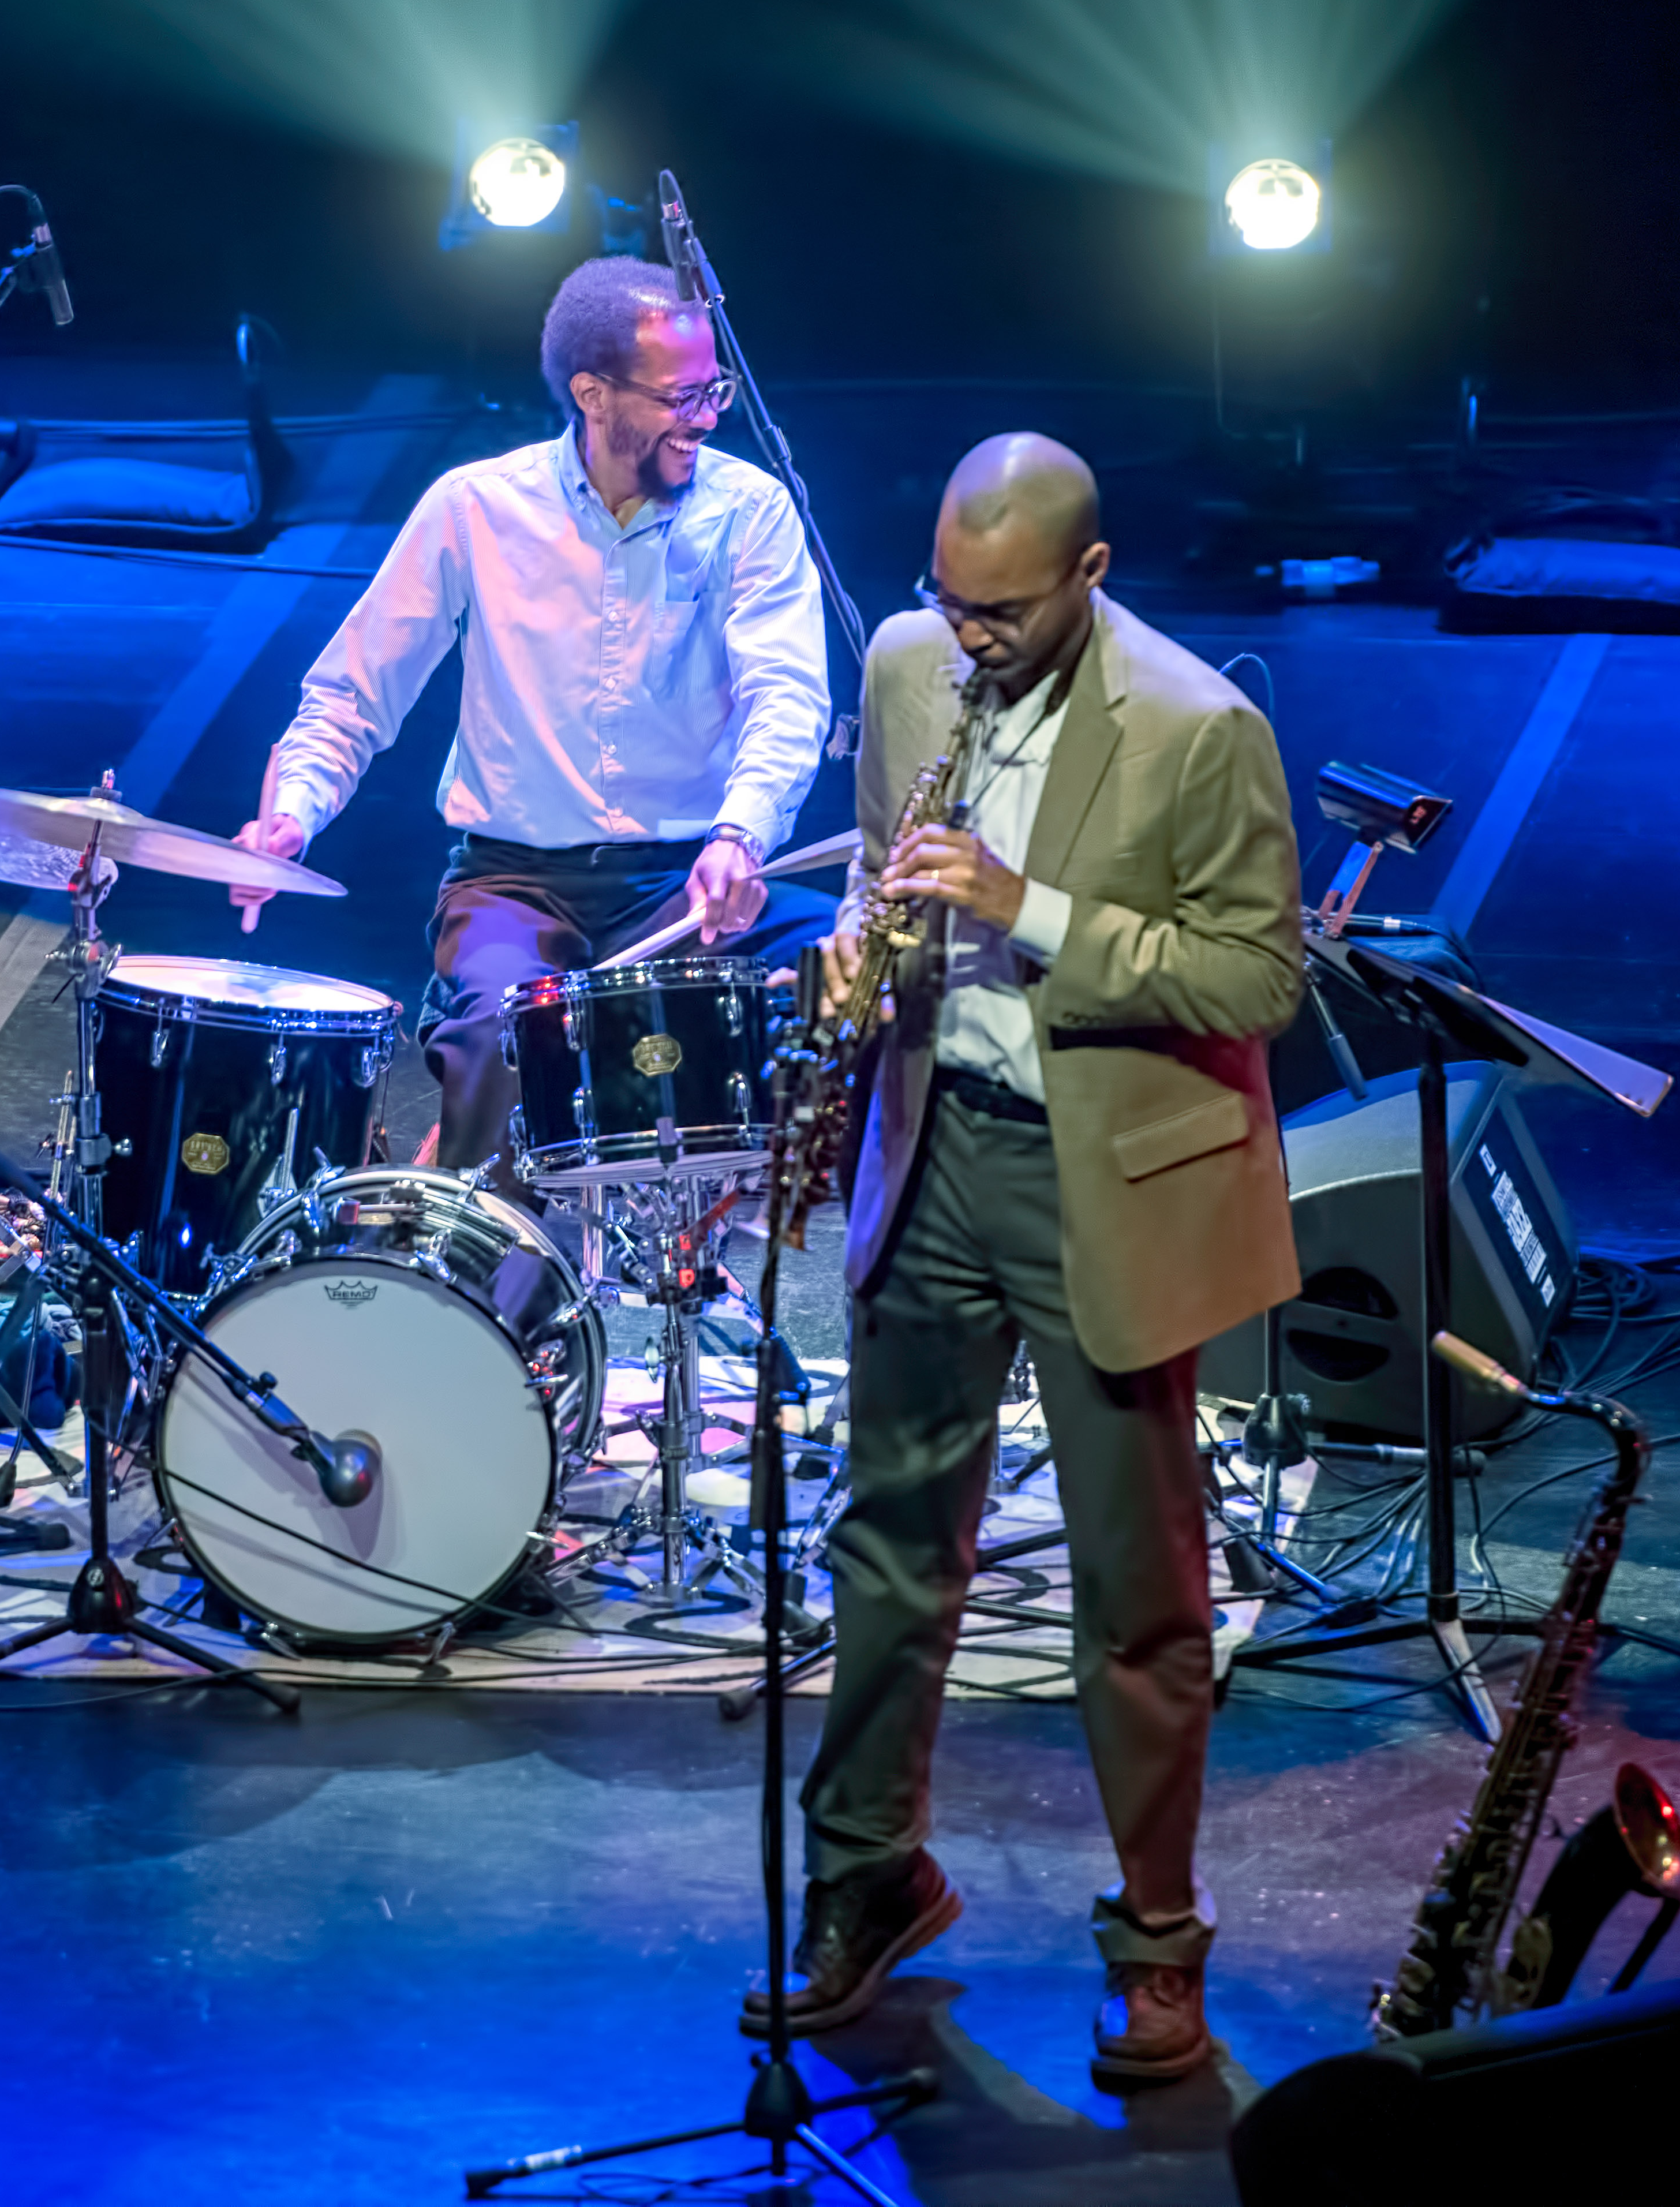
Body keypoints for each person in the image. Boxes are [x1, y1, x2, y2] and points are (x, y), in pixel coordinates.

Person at [749, 433, 1305, 2087]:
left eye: (1002, 610)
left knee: (1138, 1592)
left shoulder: (1202, 724)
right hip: (933, 1151)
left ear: (1090, 574)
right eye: (949, 597)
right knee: (890, 1541)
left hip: (1101, 1177)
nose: (967, 635)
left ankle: (1155, 1940)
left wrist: (1030, 903)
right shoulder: (907, 664)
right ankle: (868, 1881)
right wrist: (858, 935)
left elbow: (1261, 977)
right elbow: (870, 859)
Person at [231, 256, 833, 1180]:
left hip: (689, 880)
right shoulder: (474, 507)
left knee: (879, 976)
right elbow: (355, 690)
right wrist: (293, 814)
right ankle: (491, 1299)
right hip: (514, 885)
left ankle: (770, 1235)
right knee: (504, 1047)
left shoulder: (749, 513)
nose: (707, 418)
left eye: (714, 390)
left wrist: (741, 836)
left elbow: (786, 696)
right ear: (594, 394)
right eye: (682, 397)